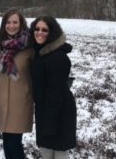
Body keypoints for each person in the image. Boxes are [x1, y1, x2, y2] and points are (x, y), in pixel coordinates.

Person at [29, 16, 76, 159]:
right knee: (46, 152)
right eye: (37, 29)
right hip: (45, 111)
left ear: (52, 32)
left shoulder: (58, 57)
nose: (40, 32)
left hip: (59, 113)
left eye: (45, 30)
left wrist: (49, 123)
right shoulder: (40, 52)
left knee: (59, 153)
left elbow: (56, 92)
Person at [0, 9, 34, 159]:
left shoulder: (30, 47)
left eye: (15, 22)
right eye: (8, 22)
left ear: (21, 23)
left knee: (14, 144)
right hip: (2, 100)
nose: (11, 25)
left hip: (20, 101)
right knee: (6, 143)